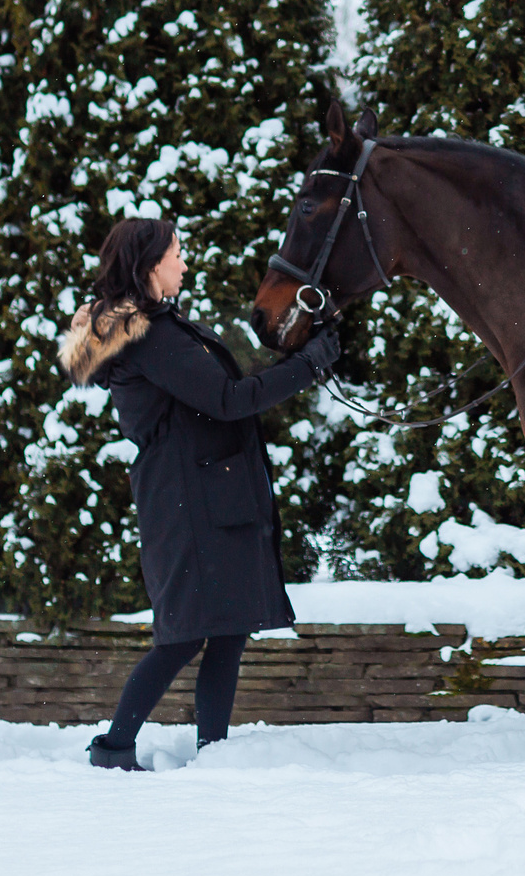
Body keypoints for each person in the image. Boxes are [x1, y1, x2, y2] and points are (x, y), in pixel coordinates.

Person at [58, 215, 338, 770]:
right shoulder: (152, 337)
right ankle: (113, 750)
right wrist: (309, 365)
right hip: (188, 504)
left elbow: (230, 386)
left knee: (228, 630)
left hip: (205, 494)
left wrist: (302, 351)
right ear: (148, 266)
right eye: (177, 254)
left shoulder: (161, 325)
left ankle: (214, 754)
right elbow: (231, 399)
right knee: (183, 636)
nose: (184, 263)